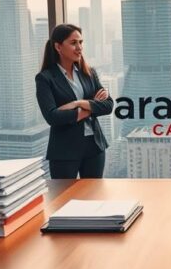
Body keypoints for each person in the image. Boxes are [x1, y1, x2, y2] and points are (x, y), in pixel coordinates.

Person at [35, 24, 114, 179]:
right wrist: (90, 107)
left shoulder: (88, 73)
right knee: (64, 200)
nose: (79, 47)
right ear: (58, 46)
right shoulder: (45, 78)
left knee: (94, 198)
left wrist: (79, 103)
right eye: (73, 43)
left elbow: (108, 106)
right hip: (65, 151)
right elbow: (52, 117)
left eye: (81, 42)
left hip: (94, 147)